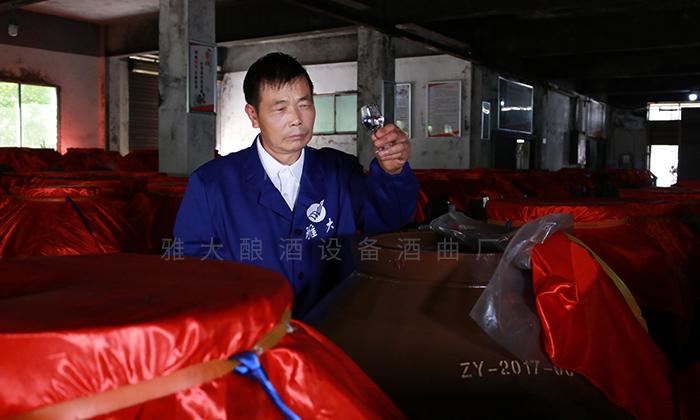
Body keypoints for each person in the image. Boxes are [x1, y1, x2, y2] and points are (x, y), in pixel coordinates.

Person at [174, 52, 418, 318]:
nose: (296, 119)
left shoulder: (338, 172)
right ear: (253, 115)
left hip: (332, 329)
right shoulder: (212, 184)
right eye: (280, 108)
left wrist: (391, 173)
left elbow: (388, 221)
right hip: (252, 342)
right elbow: (192, 270)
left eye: (304, 104)